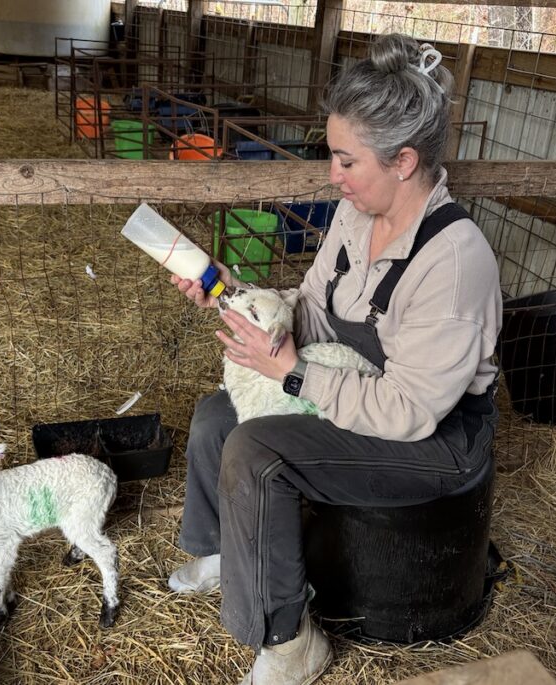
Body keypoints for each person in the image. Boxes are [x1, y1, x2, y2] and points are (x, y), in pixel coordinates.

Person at [167, 33, 502, 685]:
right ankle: (224, 552)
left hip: (436, 438)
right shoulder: (355, 218)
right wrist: (237, 296)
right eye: (333, 156)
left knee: (258, 452)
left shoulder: (455, 262)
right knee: (217, 416)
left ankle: (291, 643)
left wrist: (293, 373)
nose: (333, 175)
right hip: (357, 382)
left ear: (404, 161)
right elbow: (316, 313)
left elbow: (410, 410)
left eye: (347, 161)